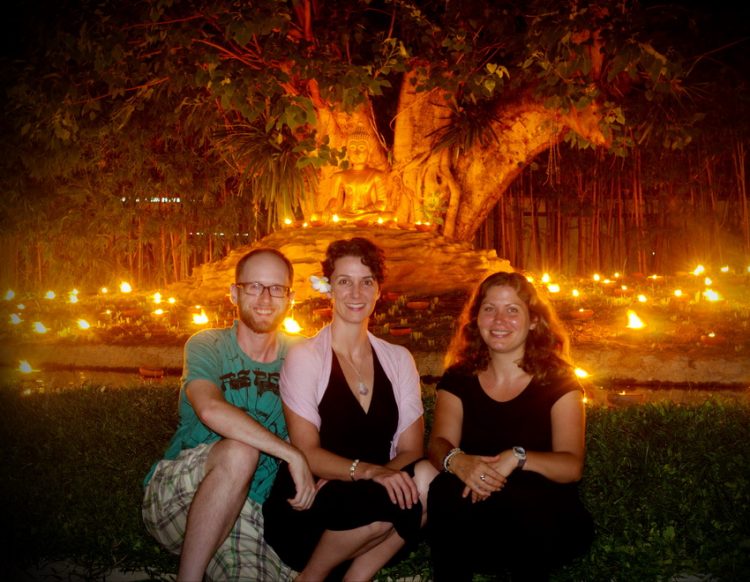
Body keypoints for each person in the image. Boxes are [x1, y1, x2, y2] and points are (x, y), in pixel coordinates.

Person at [263, 237, 438, 581]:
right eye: (344, 281)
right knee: (386, 504)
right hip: (313, 502)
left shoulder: (398, 359)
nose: (356, 293)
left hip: (377, 500)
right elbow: (307, 451)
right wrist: (367, 473)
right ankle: (310, 577)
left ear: (378, 290)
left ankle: (356, 578)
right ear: (329, 289)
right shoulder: (307, 356)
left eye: (366, 282)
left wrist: (379, 475)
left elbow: (411, 449)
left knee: (429, 480)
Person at [142, 248, 316, 582]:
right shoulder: (208, 344)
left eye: (276, 288)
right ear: (234, 293)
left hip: (249, 508)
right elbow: (209, 408)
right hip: (180, 492)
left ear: (290, 298)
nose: (265, 298)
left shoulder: (303, 354)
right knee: (240, 450)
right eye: (254, 286)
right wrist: (290, 454)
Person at [426, 271, 594, 582]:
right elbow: (438, 443)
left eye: (512, 310)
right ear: (477, 318)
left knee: (526, 502)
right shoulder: (459, 378)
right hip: (474, 505)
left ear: (533, 321)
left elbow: (572, 466)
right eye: (489, 308)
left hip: (543, 514)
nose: (499, 319)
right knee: (444, 491)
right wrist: (458, 461)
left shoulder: (558, 381)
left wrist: (516, 458)